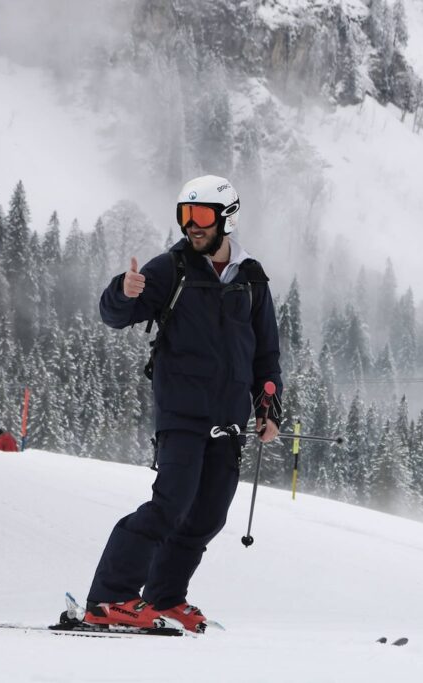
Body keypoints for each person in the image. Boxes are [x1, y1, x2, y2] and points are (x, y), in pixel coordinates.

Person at [83, 175, 282, 633]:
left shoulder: (251, 278)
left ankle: (165, 599)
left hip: (228, 419)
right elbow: (115, 315)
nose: (192, 226)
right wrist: (122, 291)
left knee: (207, 516)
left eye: (202, 216)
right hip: (182, 414)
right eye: (185, 215)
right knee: (169, 506)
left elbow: (265, 353)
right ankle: (109, 598)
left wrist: (268, 409)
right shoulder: (170, 269)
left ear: (226, 217)